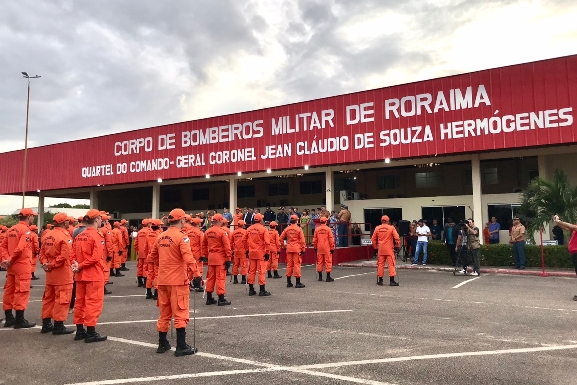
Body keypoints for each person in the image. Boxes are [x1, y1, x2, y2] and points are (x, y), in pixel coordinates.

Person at [149, 208, 199, 356]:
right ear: (182, 220)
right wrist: (196, 274)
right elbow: (188, 257)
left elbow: (152, 257)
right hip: (177, 280)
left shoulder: (161, 236)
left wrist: (163, 267)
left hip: (163, 279)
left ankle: (162, 343)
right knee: (180, 312)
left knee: (164, 312)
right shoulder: (182, 237)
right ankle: (181, 346)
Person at [70, 209, 107, 342]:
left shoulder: (79, 235)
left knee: (79, 303)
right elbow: (96, 257)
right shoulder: (97, 236)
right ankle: (91, 332)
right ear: (96, 220)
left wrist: (75, 266)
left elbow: (72, 255)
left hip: (80, 276)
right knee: (93, 303)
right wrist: (79, 266)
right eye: (100, 219)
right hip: (93, 275)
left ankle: (80, 331)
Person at [0, 208, 38, 328]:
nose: (33, 218)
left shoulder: (11, 229)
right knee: (22, 291)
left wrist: (7, 259)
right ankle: (19, 320)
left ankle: (9, 317)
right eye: (32, 216)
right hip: (21, 265)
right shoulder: (26, 230)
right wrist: (10, 259)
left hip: (11, 266)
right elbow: (21, 247)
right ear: (28, 217)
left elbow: (3, 246)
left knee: (9, 291)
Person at [39, 212, 74, 335]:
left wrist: (45, 264)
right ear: (64, 222)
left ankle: (46, 324)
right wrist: (52, 264)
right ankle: (58, 326)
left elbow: (42, 252)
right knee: (62, 299)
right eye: (68, 221)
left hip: (50, 274)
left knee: (48, 299)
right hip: (62, 273)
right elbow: (64, 256)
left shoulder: (47, 235)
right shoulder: (65, 236)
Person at [201, 214, 233, 306]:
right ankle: (221, 298)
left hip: (211, 258)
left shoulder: (207, 231)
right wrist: (228, 259)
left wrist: (207, 255)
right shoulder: (222, 232)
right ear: (219, 221)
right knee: (220, 278)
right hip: (220, 258)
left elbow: (203, 245)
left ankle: (209, 297)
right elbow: (227, 246)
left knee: (210, 278)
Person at [243, 213, 271, 296]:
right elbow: (267, 242)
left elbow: (244, 240)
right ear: (261, 220)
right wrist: (267, 253)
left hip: (252, 253)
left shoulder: (249, 229)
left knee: (251, 271)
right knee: (261, 271)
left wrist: (247, 249)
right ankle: (262, 290)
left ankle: (251, 290)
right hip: (261, 253)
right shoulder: (263, 229)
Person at [371, 215, 400, 286]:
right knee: (391, 265)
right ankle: (392, 281)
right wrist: (397, 246)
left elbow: (373, 239)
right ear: (388, 221)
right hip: (389, 249)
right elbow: (397, 238)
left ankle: (380, 280)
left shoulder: (377, 228)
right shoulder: (391, 228)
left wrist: (375, 247)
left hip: (381, 249)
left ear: (381, 221)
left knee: (380, 265)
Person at [280, 215, 306, 288]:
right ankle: (298, 283)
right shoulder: (299, 229)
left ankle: (289, 282)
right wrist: (303, 249)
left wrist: (284, 247)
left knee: (289, 265)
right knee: (297, 265)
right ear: (297, 221)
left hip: (289, 248)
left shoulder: (287, 229)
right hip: (296, 249)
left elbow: (280, 239)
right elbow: (302, 240)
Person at [313, 216, 336, 282]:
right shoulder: (328, 229)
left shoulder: (317, 229)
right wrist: (332, 248)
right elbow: (331, 239)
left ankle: (320, 277)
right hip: (327, 247)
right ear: (326, 221)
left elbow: (315, 239)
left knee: (320, 262)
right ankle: (328, 277)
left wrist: (315, 247)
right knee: (328, 261)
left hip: (319, 247)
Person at [145, 219, 163, 299]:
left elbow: (145, 247)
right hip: (156, 257)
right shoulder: (159, 235)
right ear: (158, 226)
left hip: (149, 256)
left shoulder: (148, 234)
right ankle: (156, 293)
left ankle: (148, 292)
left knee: (149, 274)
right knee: (157, 275)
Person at [187, 217, 204, 292]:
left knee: (190, 269)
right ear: (198, 224)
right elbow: (202, 245)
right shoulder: (200, 233)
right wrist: (203, 255)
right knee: (198, 268)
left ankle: (187, 284)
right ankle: (197, 285)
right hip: (197, 253)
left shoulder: (187, 233)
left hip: (189, 253)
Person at [134, 219, 151, 288]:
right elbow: (150, 243)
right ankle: (145, 282)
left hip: (140, 252)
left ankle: (139, 282)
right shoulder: (149, 231)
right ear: (148, 224)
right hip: (146, 252)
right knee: (146, 267)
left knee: (140, 266)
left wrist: (138, 250)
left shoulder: (139, 232)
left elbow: (135, 243)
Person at [230, 220, 248, 284]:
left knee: (235, 265)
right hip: (243, 251)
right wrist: (247, 250)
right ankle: (243, 279)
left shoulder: (234, 232)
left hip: (236, 251)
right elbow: (247, 242)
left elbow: (231, 242)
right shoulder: (245, 232)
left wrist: (232, 250)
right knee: (243, 265)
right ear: (243, 225)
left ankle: (235, 279)